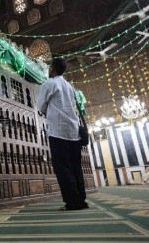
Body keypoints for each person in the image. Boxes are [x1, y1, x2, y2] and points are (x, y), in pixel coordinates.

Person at [37, 58, 88, 211]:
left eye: (49, 67)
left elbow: (41, 106)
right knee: (75, 167)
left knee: (63, 169)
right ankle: (81, 200)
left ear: (52, 68)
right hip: (74, 133)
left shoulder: (49, 84)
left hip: (58, 132)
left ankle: (72, 202)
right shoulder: (69, 86)